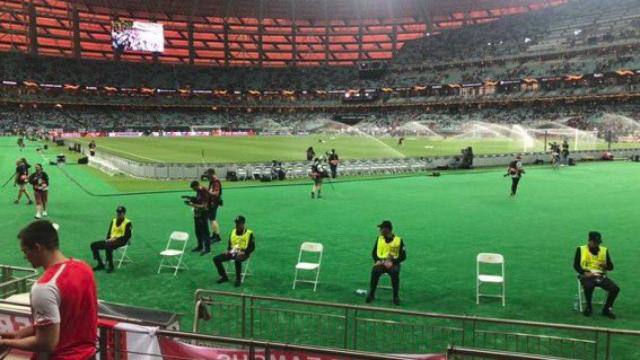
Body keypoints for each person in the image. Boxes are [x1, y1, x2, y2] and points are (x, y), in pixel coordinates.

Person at [0, 220, 97, 359]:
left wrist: (7, 342)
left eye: (26, 251)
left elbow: (47, 343)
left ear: (38, 247)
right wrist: (20, 335)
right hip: (89, 355)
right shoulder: (84, 267)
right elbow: (65, 317)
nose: (25, 257)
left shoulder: (44, 287)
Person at [574, 231, 620, 319]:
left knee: (615, 289)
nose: (597, 244)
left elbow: (611, 267)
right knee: (588, 287)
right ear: (589, 241)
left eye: (598, 242)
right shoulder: (580, 249)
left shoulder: (604, 250)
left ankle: (606, 309)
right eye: (595, 242)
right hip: (586, 275)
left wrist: (606, 266)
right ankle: (589, 307)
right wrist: (585, 273)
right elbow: (576, 266)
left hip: (599, 275)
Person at [366, 220, 406, 306]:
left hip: (393, 264)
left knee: (395, 273)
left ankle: (395, 296)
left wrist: (393, 262)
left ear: (387, 230)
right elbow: (374, 253)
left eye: (381, 228)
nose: (380, 230)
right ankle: (371, 294)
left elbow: (403, 256)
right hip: (381, 263)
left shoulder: (399, 240)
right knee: (375, 271)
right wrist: (377, 261)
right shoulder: (379, 239)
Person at [213, 215, 255, 287]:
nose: (237, 225)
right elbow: (230, 244)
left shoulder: (249, 233)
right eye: (236, 223)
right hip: (233, 252)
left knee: (237, 259)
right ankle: (224, 277)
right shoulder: (232, 232)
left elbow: (252, 247)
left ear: (243, 224)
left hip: (244, 253)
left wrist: (244, 252)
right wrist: (228, 250)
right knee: (216, 259)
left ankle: (238, 279)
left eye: (239, 223)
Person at [90, 206, 132, 273]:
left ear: (124, 213)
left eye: (120, 213)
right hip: (111, 240)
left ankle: (110, 265)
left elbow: (127, 236)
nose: (118, 214)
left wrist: (116, 239)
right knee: (93, 245)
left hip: (121, 241)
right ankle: (100, 264)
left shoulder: (128, 222)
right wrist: (108, 239)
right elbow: (109, 232)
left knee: (108, 246)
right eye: (117, 212)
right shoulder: (113, 220)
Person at [187, 180, 212, 255]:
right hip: (197, 214)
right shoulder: (198, 191)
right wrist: (191, 198)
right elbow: (198, 200)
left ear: (197, 186)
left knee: (205, 232)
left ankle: (207, 249)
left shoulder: (204, 192)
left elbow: (204, 206)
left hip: (203, 213)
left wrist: (192, 205)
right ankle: (200, 246)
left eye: (194, 188)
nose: (193, 190)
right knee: (198, 231)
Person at [203, 169, 223, 244]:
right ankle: (214, 235)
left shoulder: (216, 181)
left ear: (211, 174)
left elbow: (216, 193)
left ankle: (217, 237)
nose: (206, 176)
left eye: (207, 174)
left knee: (212, 219)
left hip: (214, 202)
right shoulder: (212, 180)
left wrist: (207, 191)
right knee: (211, 219)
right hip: (211, 202)